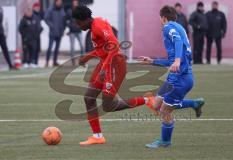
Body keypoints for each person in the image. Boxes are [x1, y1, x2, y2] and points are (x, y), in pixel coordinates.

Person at [72, 5, 156, 146]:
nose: (78, 26)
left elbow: (115, 46)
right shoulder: (93, 28)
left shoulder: (98, 26)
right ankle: (97, 136)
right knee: (89, 98)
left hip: (115, 65)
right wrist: (87, 57)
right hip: (106, 64)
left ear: (86, 20)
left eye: (78, 22)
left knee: (108, 105)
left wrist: (105, 68)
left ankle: (147, 100)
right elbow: (103, 49)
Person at [138, 6, 205, 148]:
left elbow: (178, 42)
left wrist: (177, 61)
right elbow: (170, 60)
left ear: (163, 17)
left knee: (164, 110)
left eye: (159, 18)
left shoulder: (169, 27)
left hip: (181, 78)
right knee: (156, 105)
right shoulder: (179, 27)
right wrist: (152, 61)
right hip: (175, 76)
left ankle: (165, 141)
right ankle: (194, 103)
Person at [44, 0, 66, 67]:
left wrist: (63, 28)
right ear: (55, 2)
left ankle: (54, 61)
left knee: (57, 48)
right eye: (58, 2)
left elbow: (64, 19)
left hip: (60, 32)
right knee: (50, 47)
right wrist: (51, 26)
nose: (59, 3)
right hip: (52, 32)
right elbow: (46, 18)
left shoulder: (62, 10)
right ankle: (47, 62)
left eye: (60, 2)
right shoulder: (51, 9)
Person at [65, 0, 84, 66]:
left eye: (76, 2)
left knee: (82, 46)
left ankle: (82, 60)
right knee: (72, 48)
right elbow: (65, 20)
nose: (75, 4)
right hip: (72, 31)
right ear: (72, 3)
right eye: (74, 2)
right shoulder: (69, 11)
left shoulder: (80, 11)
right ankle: (73, 62)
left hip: (79, 31)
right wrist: (69, 26)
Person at [33, 2, 43, 67]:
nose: (38, 8)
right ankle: (33, 62)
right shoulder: (33, 15)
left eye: (39, 7)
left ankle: (36, 62)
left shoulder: (39, 15)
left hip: (38, 34)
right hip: (33, 35)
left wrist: (41, 29)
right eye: (37, 7)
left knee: (37, 49)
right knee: (33, 49)